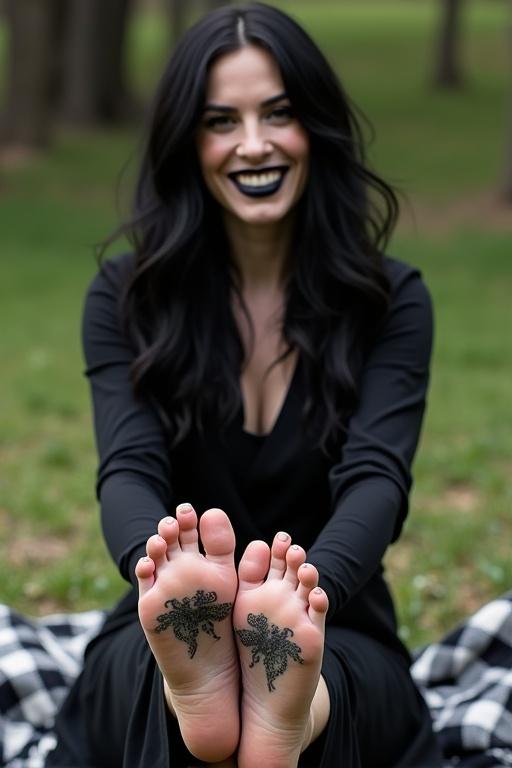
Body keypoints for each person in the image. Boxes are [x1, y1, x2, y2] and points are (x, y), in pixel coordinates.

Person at [46, 3, 443, 767]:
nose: (254, 144)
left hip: (341, 618)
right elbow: (128, 470)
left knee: (325, 675)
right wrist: (160, 570)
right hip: (168, 622)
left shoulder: (391, 300)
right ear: (186, 142)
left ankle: (287, 701)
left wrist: (302, 599)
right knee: (155, 667)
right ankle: (213, 692)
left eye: (279, 114)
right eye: (221, 120)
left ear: (316, 128)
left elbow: (376, 481)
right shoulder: (128, 299)